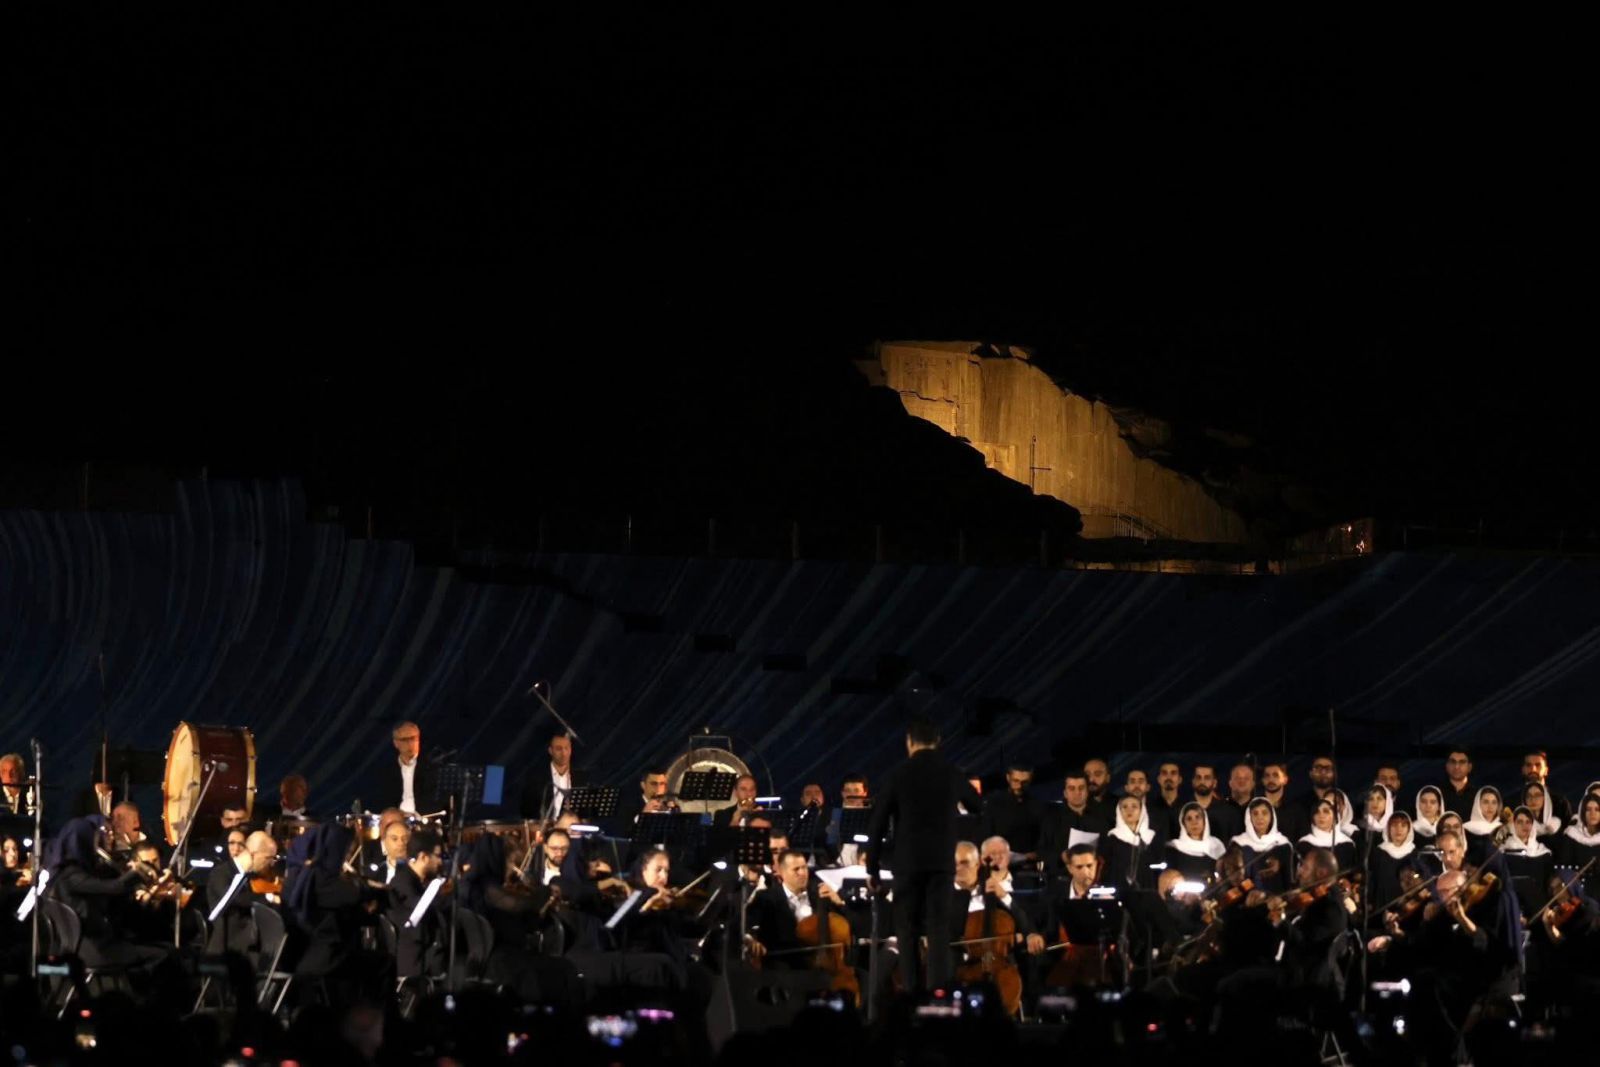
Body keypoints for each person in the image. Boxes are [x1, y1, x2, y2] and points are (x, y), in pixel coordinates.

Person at [864, 716, 982, 995]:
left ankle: (912, 994)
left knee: (906, 931)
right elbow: (977, 806)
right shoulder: (951, 772)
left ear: (909, 742)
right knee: (938, 930)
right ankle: (938, 994)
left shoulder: (898, 773)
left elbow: (877, 824)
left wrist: (872, 868)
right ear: (938, 742)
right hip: (941, 863)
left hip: (907, 864)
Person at [1036, 771, 1111, 876]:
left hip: (1094, 877)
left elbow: (1108, 850)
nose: (1077, 793)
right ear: (1065, 793)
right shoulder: (1052, 818)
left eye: (1081, 788)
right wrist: (1061, 857)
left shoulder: (1101, 817)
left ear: (1087, 791)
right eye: (1072, 789)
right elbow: (1042, 851)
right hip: (1061, 878)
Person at [1231, 798, 1294, 893]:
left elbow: (1287, 880)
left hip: (1276, 898)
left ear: (1272, 816)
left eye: (1264, 813)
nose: (1260, 817)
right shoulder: (1238, 843)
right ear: (1249, 817)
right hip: (1246, 898)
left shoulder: (1282, 844)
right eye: (1255, 813)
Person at [1098, 795, 1160, 889]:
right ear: (1119, 811)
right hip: (1119, 889)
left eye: (1134, 806)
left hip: (1148, 888)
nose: (1129, 810)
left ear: (1142, 811)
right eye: (1125, 807)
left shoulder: (1151, 838)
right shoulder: (1112, 839)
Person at [983, 763, 1043, 861]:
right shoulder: (994, 803)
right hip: (999, 860)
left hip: (1029, 862)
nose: (1019, 786)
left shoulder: (1037, 805)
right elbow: (986, 835)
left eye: (1024, 782)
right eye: (1016, 781)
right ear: (1008, 778)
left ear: (1030, 780)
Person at [520, 730, 581, 821]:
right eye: (559, 749)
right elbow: (527, 812)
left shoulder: (579, 777)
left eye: (566, 748)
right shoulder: (536, 778)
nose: (564, 753)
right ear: (550, 751)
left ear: (571, 750)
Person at [382, 721, 436, 816]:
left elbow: (433, 800)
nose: (410, 743)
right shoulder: (389, 770)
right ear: (396, 743)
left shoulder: (431, 766)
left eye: (413, 738)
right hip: (397, 819)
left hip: (423, 818)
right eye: (404, 740)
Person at [1163, 802, 1225, 883]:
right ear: (1183, 824)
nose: (1194, 822)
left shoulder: (1216, 846)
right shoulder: (1174, 847)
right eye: (1189, 819)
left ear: (1204, 821)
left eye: (1198, 817)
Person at [1296, 798, 1355, 872]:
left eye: (1326, 811)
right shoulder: (1304, 844)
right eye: (1316, 812)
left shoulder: (1347, 844)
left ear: (1335, 816)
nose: (1321, 816)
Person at [1461, 786, 1507, 864]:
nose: (1490, 807)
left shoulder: (1503, 829)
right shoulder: (1466, 829)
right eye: (1486, 802)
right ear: (1478, 804)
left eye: (1494, 802)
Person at [1442, 749, 1476, 816]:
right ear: (1447, 766)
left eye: (1462, 762)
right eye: (1452, 762)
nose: (1456, 767)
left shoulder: (1478, 794)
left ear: (1469, 767)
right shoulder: (1437, 793)